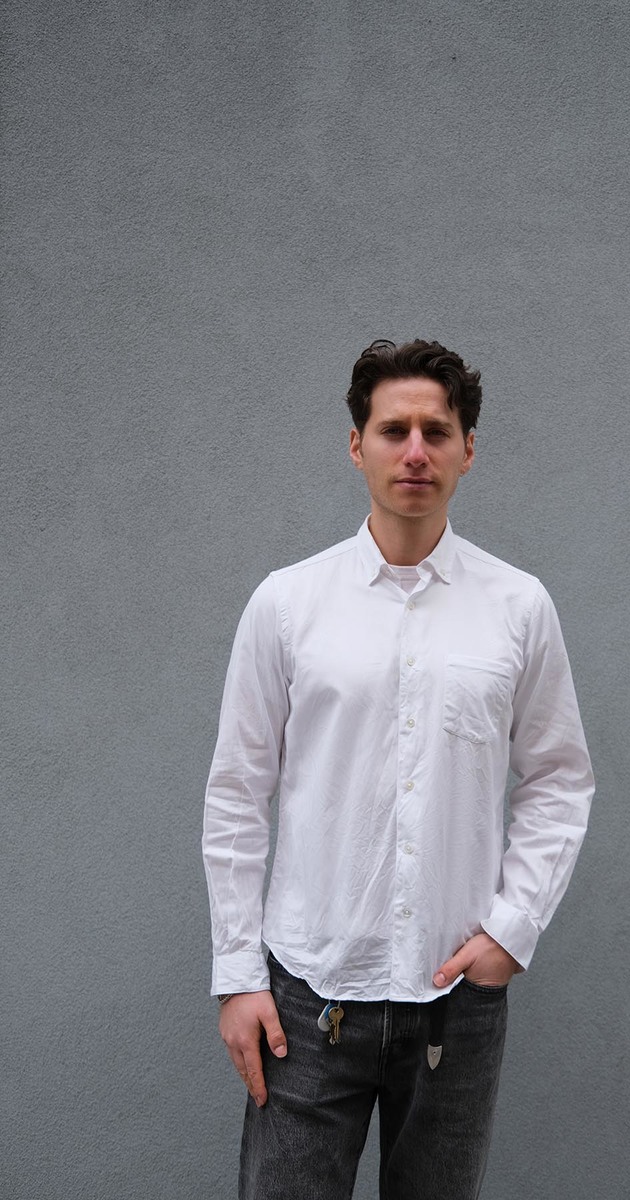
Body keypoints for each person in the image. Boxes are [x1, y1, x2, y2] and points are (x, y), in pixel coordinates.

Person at [202, 338, 594, 1200]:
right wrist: (237, 976)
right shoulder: (287, 604)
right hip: (306, 1000)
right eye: (393, 430)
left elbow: (560, 778)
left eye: (436, 431)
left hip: (455, 1004)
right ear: (357, 445)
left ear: (467, 450)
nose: (415, 451)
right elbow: (236, 792)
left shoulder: (518, 607)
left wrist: (513, 929)